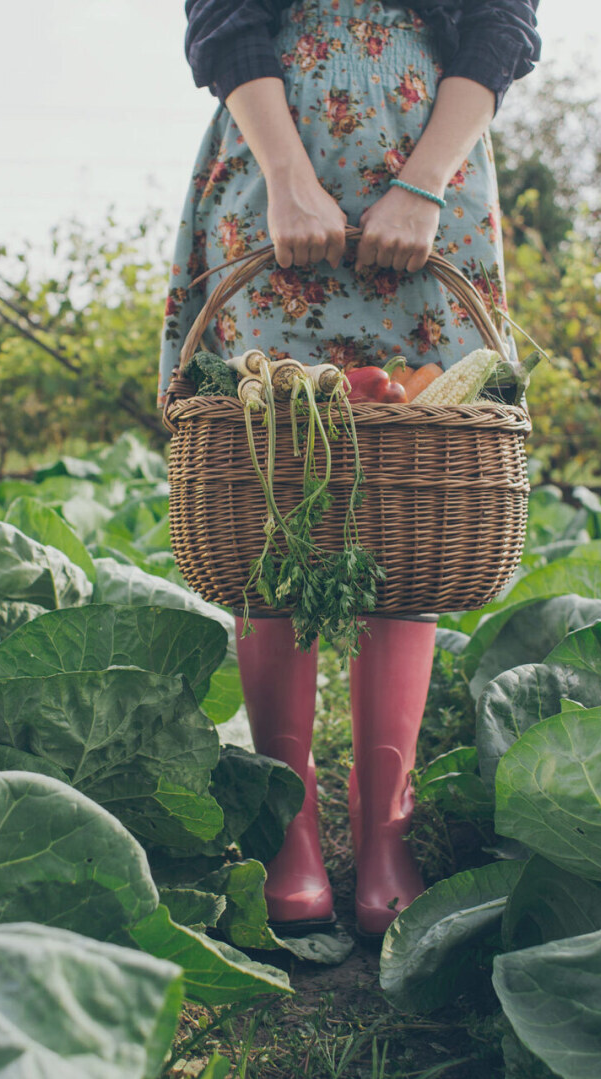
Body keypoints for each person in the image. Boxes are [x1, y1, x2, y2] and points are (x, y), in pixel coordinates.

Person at [164, 0, 540, 936]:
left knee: (418, 482)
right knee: (270, 485)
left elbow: (502, 25)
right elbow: (222, 17)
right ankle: (286, 830)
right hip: (272, 159)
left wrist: (425, 183)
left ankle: (385, 835)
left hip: (431, 162)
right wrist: (288, 177)